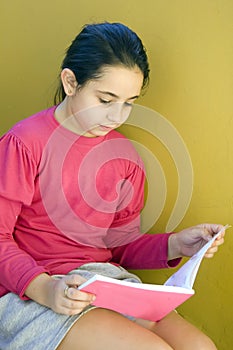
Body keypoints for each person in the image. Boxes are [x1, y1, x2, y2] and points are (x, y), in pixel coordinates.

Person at [0, 22, 225, 350]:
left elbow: (119, 245)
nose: (117, 116)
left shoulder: (125, 157)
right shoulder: (24, 144)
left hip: (105, 284)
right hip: (34, 291)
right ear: (70, 82)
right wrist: (46, 289)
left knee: (200, 347)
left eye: (129, 102)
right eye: (105, 99)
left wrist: (176, 245)